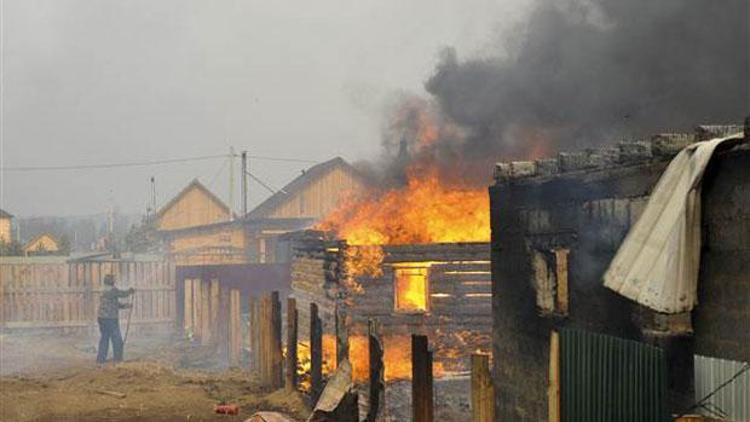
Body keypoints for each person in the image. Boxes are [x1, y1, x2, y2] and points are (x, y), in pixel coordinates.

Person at [96, 274, 135, 364]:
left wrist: (126, 306)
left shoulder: (104, 290)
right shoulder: (112, 290)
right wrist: (130, 291)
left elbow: (113, 304)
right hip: (110, 319)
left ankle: (101, 360)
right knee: (117, 339)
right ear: (111, 282)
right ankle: (118, 359)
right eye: (114, 280)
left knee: (104, 338)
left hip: (102, 318)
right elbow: (123, 294)